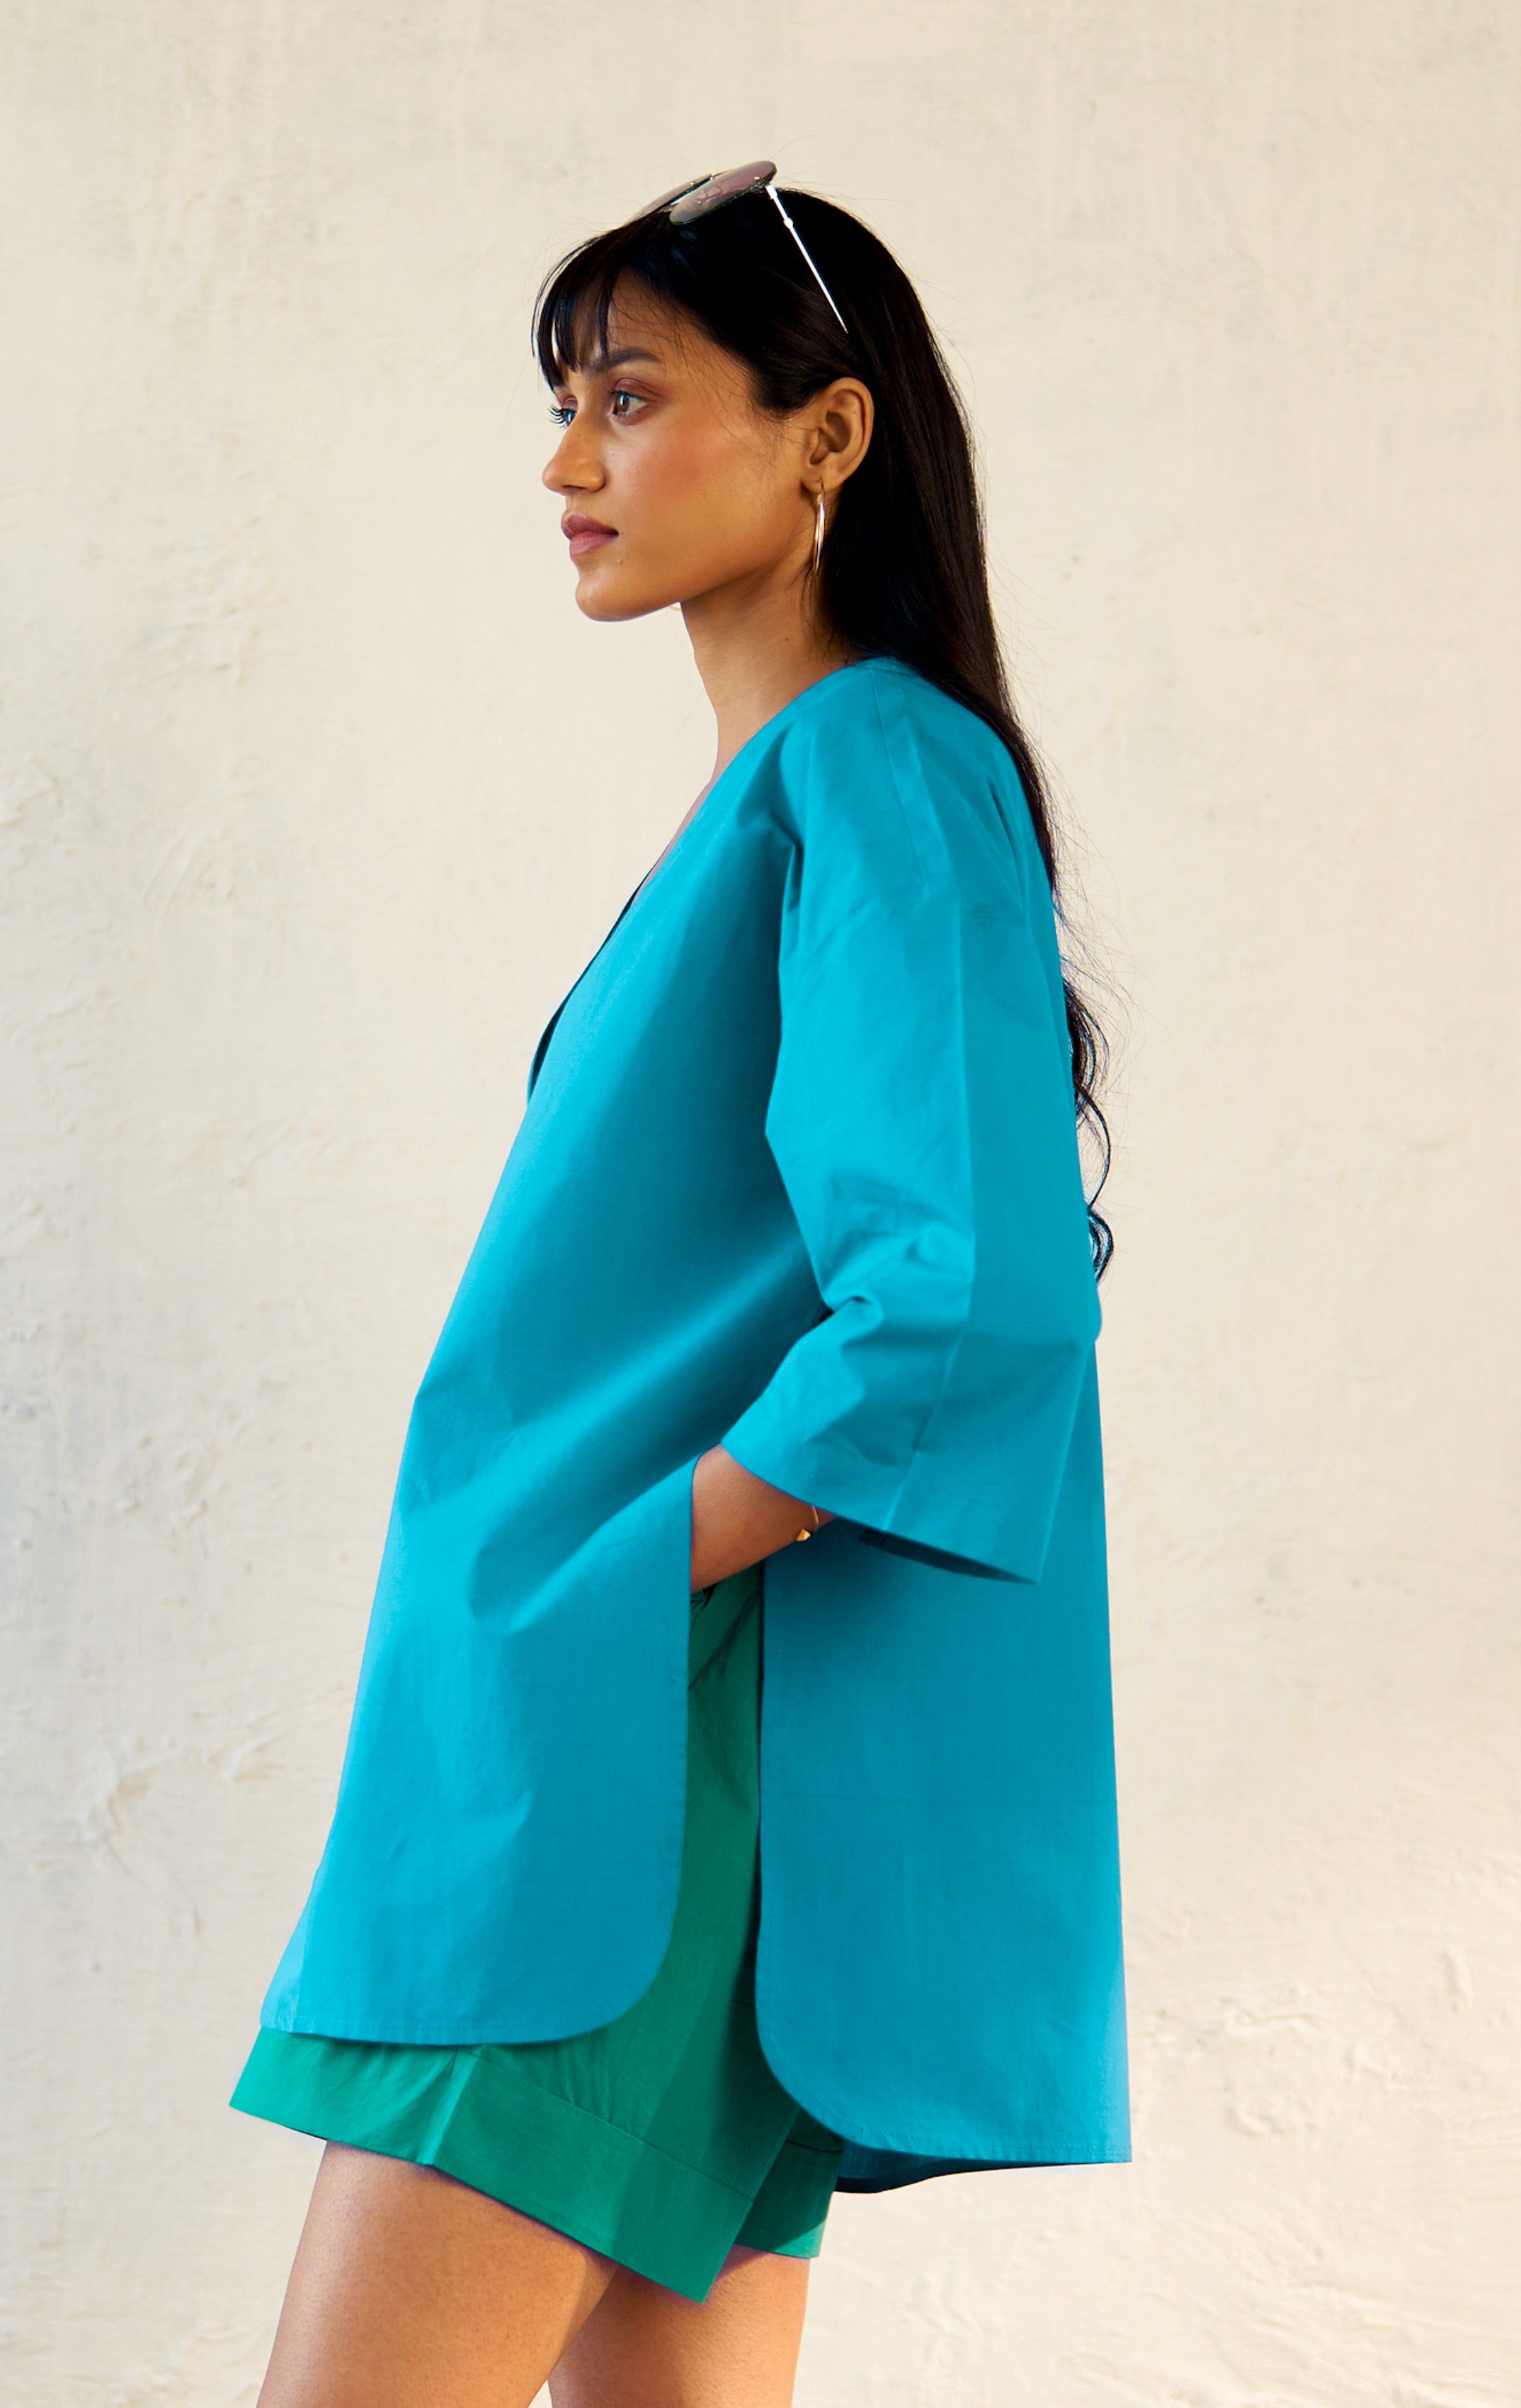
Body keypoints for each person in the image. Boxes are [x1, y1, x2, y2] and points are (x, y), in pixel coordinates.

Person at [232, 161, 1128, 2408]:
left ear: (826, 435)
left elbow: (966, 1299)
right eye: (563, 405)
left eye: (627, 398)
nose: (568, 463)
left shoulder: (875, 765)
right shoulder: (793, 793)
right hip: (631, 1767)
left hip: (625, 1788)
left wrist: (623, 1577)